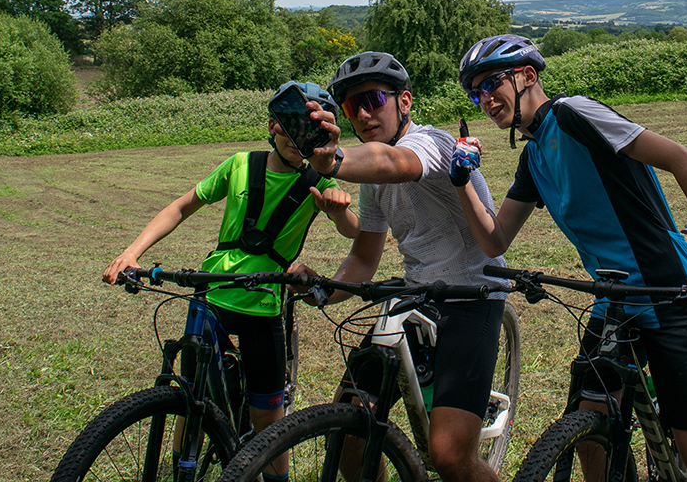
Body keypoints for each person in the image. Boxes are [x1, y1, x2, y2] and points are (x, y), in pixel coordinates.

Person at [453, 35, 687, 482]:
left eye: (493, 83)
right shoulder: (533, 156)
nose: (486, 99)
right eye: (476, 92)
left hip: (667, 291)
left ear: (528, 76)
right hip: (615, 300)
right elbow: (495, 240)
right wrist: (462, 180)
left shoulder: (574, 114)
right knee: (591, 435)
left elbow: (685, 160)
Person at [102, 82, 360, 482]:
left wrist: (340, 210)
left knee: (268, 418)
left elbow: (353, 230)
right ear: (273, 125)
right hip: (212, 296)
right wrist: (131, 253)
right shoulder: (240, 164)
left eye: (313, 134)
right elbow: (182, 205)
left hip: (264, 306)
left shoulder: (318, 182)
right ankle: (182, 473)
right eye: (290, 127)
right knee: (191, 398)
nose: (298, 140)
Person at [299, 51, 508, 482]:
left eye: (374, 99)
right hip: (415, 298)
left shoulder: (432, 144)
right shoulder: (371, 174)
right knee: (347, 432)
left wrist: (336, 161)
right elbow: (363, 258)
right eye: (352, 107)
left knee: (450, 457)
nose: (363, 113)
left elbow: (396, 163)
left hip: (473, 294)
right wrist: (320, 289)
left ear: (405, 102)